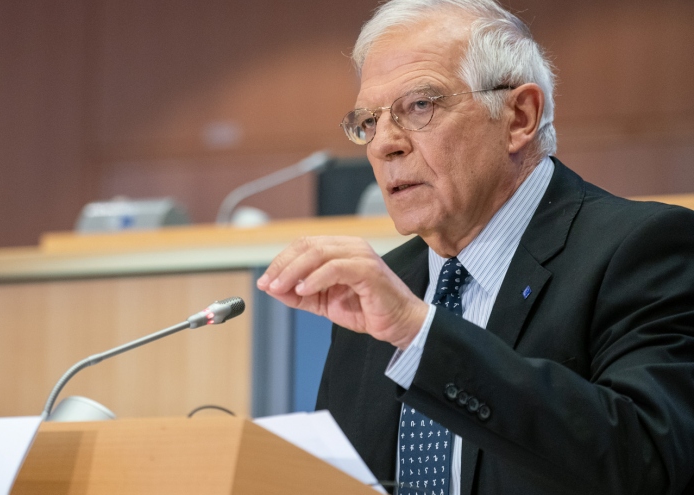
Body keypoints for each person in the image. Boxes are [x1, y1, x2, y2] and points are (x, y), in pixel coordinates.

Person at [256, 0, 694, 493]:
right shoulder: (384, 288)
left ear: (519, 117)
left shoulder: (643, 249)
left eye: (419, 106)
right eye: (369, 122)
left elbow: (649, 461)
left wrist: (420, 333)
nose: (383, 145)